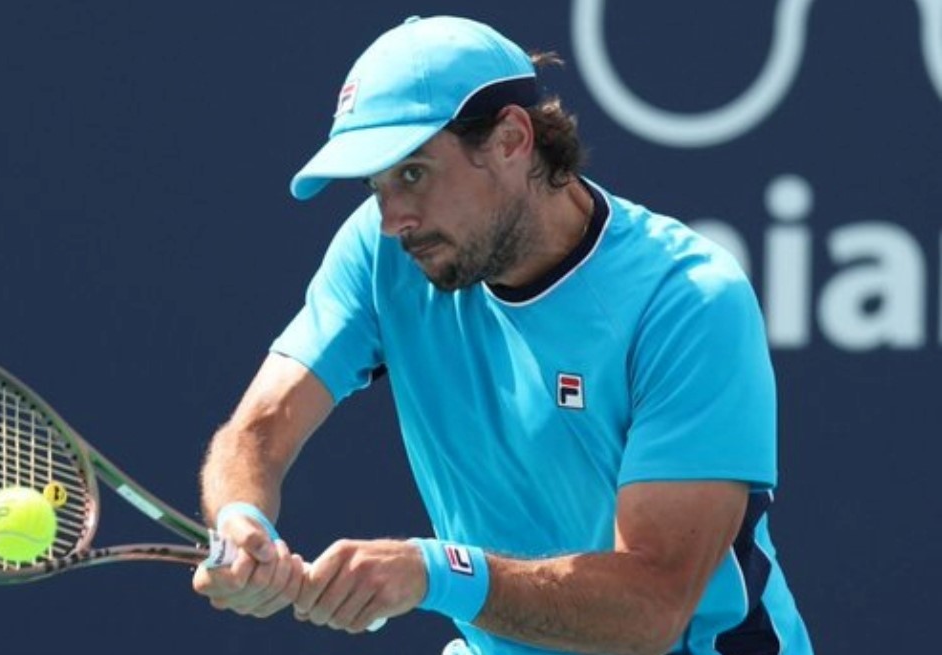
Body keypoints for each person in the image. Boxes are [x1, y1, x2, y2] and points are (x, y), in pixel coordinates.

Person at [191, 14, 813, 655]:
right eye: (375, 186)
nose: (392, 219)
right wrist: (243, 521)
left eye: (412, 173)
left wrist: (435, 573)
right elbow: (260, 426)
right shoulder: (386, 253)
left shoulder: (687, 299)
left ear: (512, 139)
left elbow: (651, 609)